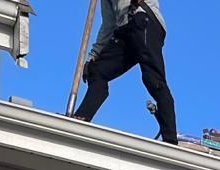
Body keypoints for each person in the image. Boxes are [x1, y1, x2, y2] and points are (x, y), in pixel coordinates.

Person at [73, 0, 177, 146]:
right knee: (97, 70)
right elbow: (108, 25)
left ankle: (170, 139)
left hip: (145, 19)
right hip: (125, 29)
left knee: (153, 79)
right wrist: (93, 56)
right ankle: (81, 118)